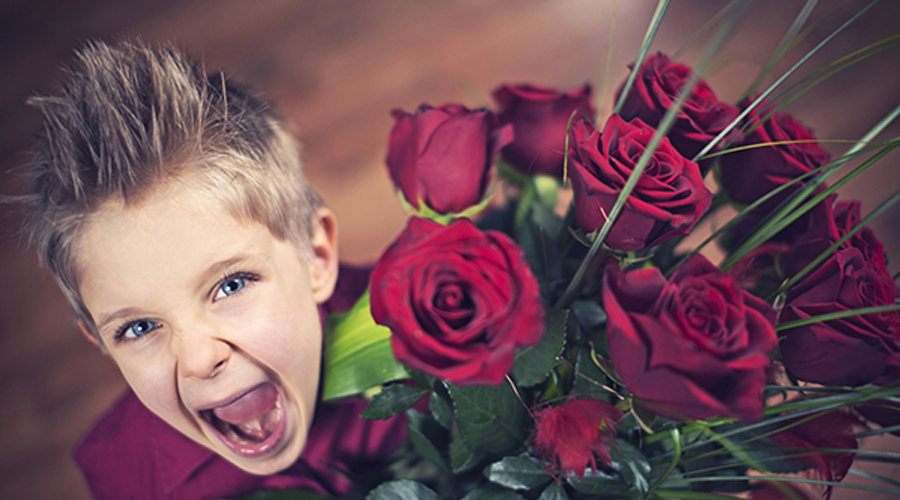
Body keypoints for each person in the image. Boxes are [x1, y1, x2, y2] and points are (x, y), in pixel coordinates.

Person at [21, 39, 405, 499]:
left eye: (231, 285)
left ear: (316, 257)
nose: (200, 360)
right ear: (100, 340)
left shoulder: (419, 329)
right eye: (139, 327)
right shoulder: (128, 477)